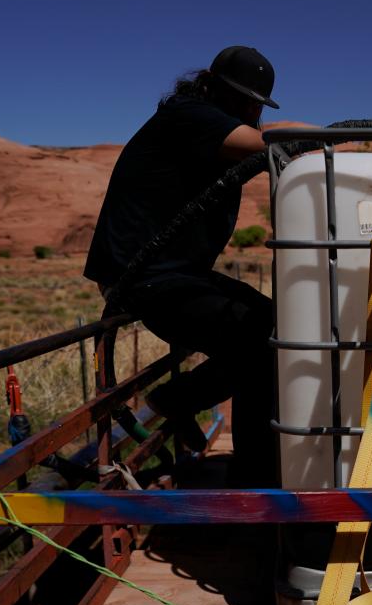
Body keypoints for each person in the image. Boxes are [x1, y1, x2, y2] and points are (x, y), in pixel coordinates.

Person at [84, 45, 280, 487]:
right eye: (248, 101)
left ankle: (249, 461)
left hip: (176, 274)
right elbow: (272, 142)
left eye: (258, 105)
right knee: (261, 342)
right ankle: (181, 406)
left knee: (275, 326)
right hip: (143, 279)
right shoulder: (190, 117)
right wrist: (321, 137)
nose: (253, 112)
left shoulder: (208, 128)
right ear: (216, 89)